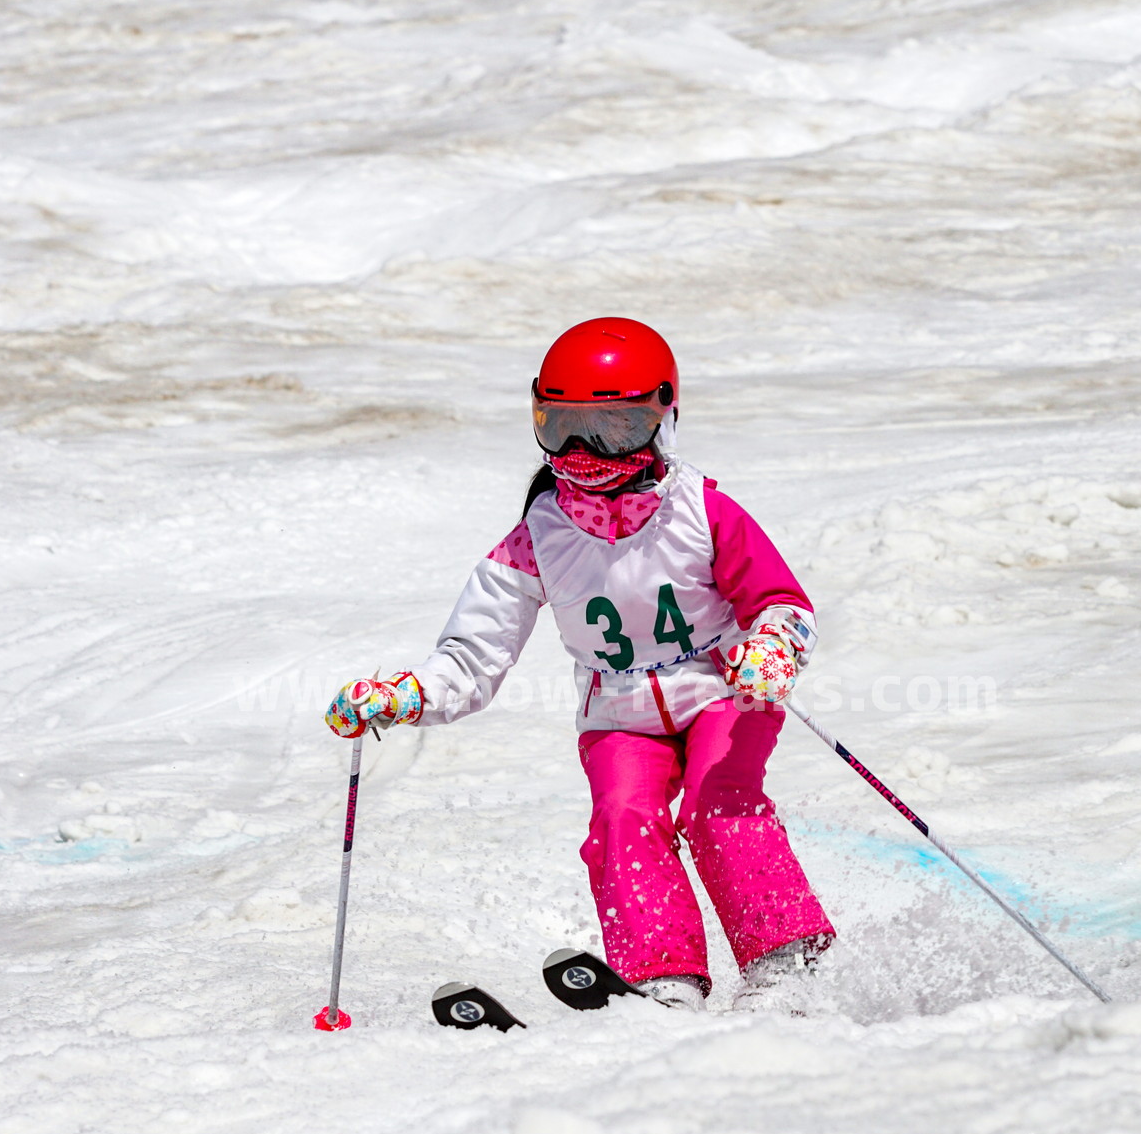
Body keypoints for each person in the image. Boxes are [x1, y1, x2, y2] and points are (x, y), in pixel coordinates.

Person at [325, 318, 834, 1010]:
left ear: (663, 417)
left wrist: (774, 645)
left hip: (724, 691)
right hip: (618, 712)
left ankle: (785, 963)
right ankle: (665, 979)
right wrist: (408, 695)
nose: (584, 451)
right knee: (624, 818)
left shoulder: (701, 510)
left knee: (719, 807)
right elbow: (476, 653)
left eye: (615, 428)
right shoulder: (540, 534)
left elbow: (780, 600)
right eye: (561, 424)